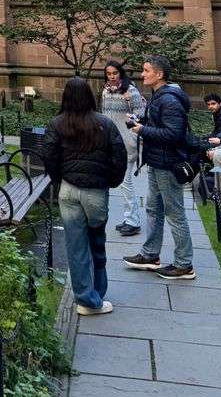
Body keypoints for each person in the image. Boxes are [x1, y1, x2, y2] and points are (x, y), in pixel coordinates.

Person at [41, 77, 127, 316]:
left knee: (76, 244)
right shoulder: (104, 123)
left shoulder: (57, 124)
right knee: (96, 241)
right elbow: (118, 157)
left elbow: (48, 155)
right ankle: (96, 293)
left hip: (69, 190)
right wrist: (111, 181)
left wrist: (61, 177)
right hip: (96, 191)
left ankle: (85, 297)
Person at [123, 55, 195, 280]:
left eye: (146, 70)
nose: (142, 74)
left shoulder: (170, 100)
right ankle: (150, 254)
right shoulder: (159, 96)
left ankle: (184, 264)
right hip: (156, 161)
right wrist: (139, 120)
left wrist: (141, 130)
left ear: (159, 74)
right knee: (153, 209)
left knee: (175, 213)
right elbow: (158, 124)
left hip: (167, 163)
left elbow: (173, 135)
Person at [101, 60, 145, 236]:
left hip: (127, 143)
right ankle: (129, 218)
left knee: (125, 182)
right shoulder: (105, 90)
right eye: (109, 74)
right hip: (111, 142)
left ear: (120, 73)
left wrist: (132, 130)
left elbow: (141, 112)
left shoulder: (130, 90)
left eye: (115, 73)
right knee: (119, 182)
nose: (112, 77)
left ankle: (133, 221)